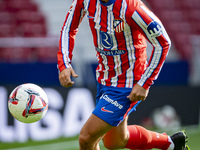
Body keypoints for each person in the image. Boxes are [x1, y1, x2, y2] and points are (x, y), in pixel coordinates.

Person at [57, 0, 189, 149]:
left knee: (87, 137)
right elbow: (68, 28)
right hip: (105, 77)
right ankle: (172, 143)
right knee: (115, 142)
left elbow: (163, 42)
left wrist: (144, 83)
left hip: (128, 83)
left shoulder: (132, 7)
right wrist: (64, 64)